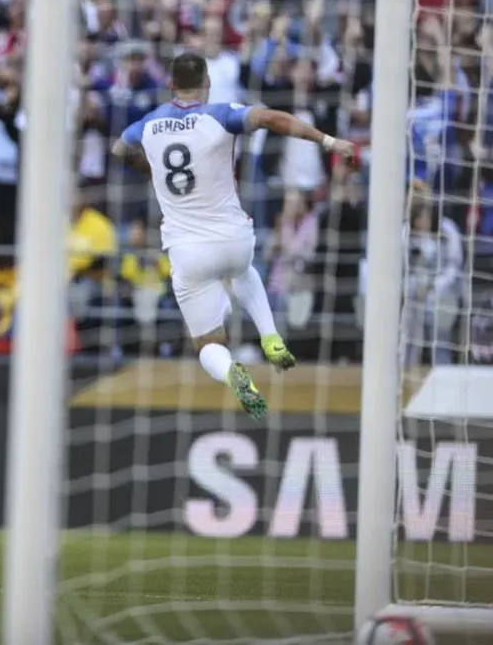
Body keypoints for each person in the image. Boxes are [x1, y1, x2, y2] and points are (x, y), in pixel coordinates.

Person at [110, 52, 357, 422]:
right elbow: (273, 118)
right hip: (234, 239)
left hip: (187, 251)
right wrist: (328, 141)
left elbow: (118, 148)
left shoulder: (148, 124)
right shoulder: (222, 114)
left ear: (170, 85)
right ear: (207, 82)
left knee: (207, 343)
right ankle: (270, 337)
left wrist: (151, 171)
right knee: (243, 271)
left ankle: (233, 374)